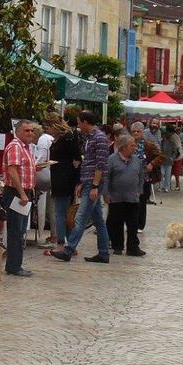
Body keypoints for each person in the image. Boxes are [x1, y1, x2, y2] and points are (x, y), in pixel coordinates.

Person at [52, 111, 111, 264]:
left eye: (79, 122)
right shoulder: (88, 138)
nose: (77, 126)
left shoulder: (100, 138)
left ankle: (68, 250)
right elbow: (88, 163)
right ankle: (104, 253)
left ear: (85, 122)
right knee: (98, 219)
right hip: (88, 182)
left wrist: (94, 186)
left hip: (94, 183)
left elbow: (100, 165)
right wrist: (82, 182)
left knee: (81, 218)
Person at [1, 119, 38, 277]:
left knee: (20, 229)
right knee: (16, 230)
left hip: (23, 193)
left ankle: (15, 264)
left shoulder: (25, 147)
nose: (30, 133)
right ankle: (14, 266)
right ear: (17, 132)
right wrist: (22, 193)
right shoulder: (16, 146)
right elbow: (12, 171)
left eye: (31, 130)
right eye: (26, 130)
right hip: (17, 194)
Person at [105, 133, 145, 257]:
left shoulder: (137, 160)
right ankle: (117, 246)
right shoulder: (112, 159)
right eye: (132, 145)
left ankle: (133, 248)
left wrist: (139, 190)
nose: (135, 147)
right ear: (123, 147)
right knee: (116, 223)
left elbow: (141, 177)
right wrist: (106, 194)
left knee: (133, 225)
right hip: (116, 198)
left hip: (133, 198)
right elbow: (106, 178)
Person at [45, 115, 80, 249]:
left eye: (49, 127)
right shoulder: (62, 138)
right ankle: (70, 243)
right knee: (64, 212)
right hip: (60, 175)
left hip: (63, 177)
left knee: (61, 212)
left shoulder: (67, 137)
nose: (48, 130)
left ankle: (62, 243)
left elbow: (76, 157)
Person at [129, 121, 163, 231]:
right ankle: (131, 223)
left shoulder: (148, 144)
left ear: (142, 132)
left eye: (138, 131)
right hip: (130, 178)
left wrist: (152, 164)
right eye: (133, 131)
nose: (135, 133)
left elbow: (161, 156)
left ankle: (140, 224)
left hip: (144, 178)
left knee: (142, 202)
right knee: (130, 201)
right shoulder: (128, 143)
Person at [33, 121, 54, 242]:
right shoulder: (48, 138)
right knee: (53, 207)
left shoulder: (42, 140)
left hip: (46, 175)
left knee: (51, 207)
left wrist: (32, 166)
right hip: (52, 174)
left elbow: (41, 158)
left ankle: (54, 236)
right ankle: (55, 234)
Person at [160, 125, 181, 192]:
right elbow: (159, 150)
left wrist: (172, 158)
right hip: (162, 160)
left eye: (164, 135)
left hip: (169, 161)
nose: (162, 137)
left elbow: (175, 151)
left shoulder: (172, 141)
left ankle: (167, 187)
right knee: (162, 173)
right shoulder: (161, 143)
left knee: (168, 174)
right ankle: (162, 186)